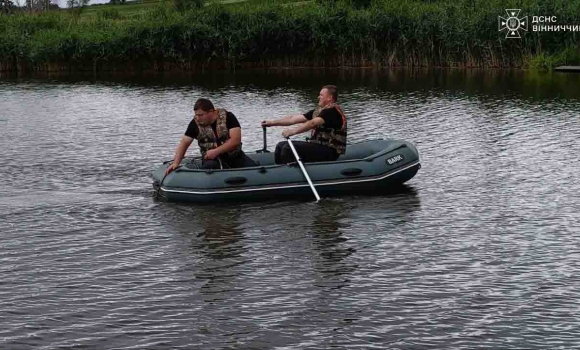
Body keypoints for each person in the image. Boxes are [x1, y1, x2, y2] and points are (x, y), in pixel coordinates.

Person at [165, 98, 257, 175]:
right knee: (209, 169)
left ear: (211, 112)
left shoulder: (229, 117)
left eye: (200, 115)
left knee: (254, 171)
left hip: (235, 156)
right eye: (196, 115)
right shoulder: (195, 123)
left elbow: (235, 140)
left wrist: (216, 151)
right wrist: (176, 162)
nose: (197, 118)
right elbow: (184, 143)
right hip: (211, 160)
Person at [261, 85, 347, 164]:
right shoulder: (319, 111)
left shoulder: (332, 112)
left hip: (330, 151)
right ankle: (279, 172)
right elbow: (292, 119)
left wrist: (292, 131)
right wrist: (272, 123)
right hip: (318, 146)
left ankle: (290, 175)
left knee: (288, 148)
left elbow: (312, 123)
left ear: (329, 97)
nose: (318, 97)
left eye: (321, 95)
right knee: (280, 146)